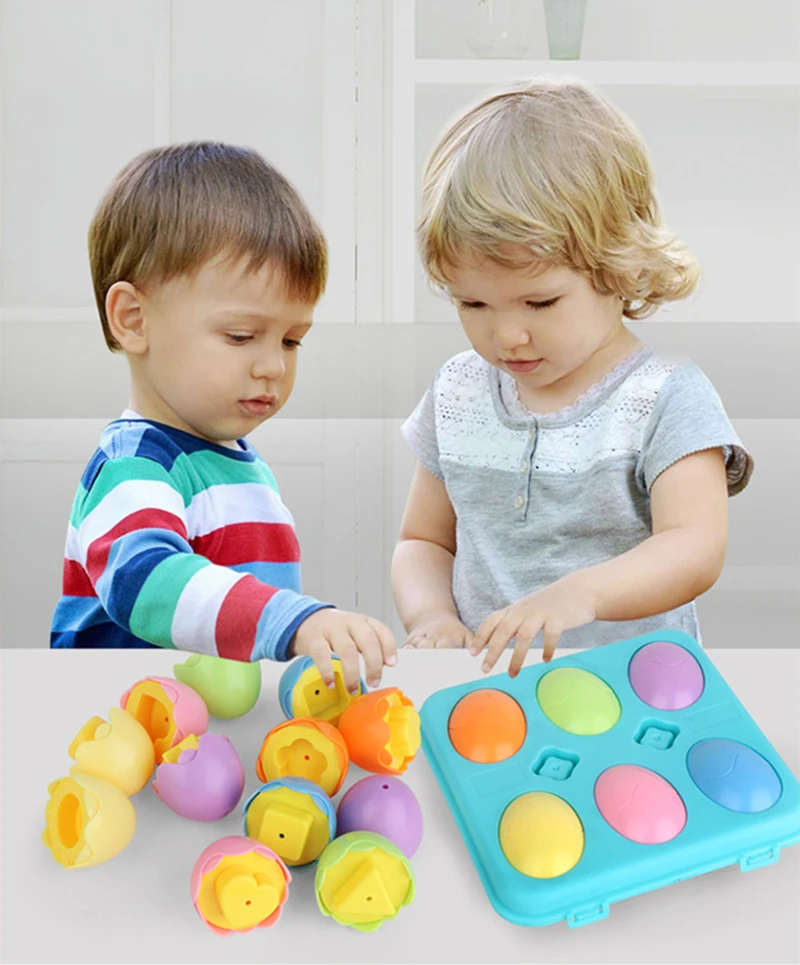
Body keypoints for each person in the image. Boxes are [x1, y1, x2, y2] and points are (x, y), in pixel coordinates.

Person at [392, 78, 753, 677]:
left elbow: (695, 546)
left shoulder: (666, 395)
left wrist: (580, 595)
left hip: (633, 691)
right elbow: (423, 541)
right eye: (472, 304)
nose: (506, 335)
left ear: (618, 266)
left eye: (539, 303)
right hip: (489, 695)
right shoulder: (457, 391)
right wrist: (431, 616)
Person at [50, 141, 395, 694]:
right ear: (133, 319)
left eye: (291, 340)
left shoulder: (238, 465)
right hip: (126, 725)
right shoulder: (134, 464)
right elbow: (145, 579)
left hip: (208, 730)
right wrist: (293, 620)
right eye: (240, 336)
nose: (273, 365)